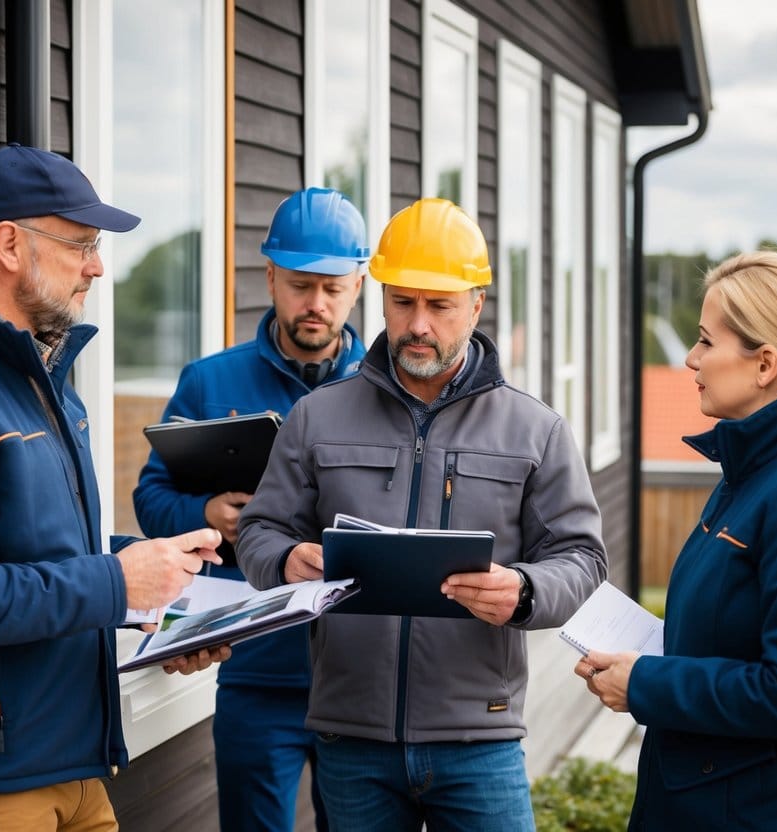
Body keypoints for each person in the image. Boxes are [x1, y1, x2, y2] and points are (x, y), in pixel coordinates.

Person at [236, 197, 608, 831]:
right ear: (380, 295)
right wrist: (284, 559)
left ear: (476, 305)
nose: (418, 325)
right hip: (351, 739)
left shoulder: (535, 429)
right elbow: (258, 531)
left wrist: (523, 590)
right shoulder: (317, 416)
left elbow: (584, 558)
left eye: (440, 306)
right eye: (403, 301)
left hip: (481, 738)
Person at [0, 143, 228, 831]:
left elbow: (44, 549)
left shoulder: (35, 370)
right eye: (80, 243)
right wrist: (116, 583)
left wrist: (164, 589)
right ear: (8, 243)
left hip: (73, 764)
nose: (96, 264)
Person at [576, 250, 777, 831]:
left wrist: (647, 683)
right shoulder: (760, 469)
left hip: (769, 814)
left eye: (705, 341)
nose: (692, 360)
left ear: (765, 364)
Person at [132, 187, 368, 832]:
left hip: (362, 677)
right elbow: (150, 500)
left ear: (358, 285)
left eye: (331, 287)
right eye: (298, 285)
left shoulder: (388, 393)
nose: (315, 304)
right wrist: (210, 513)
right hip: (253, 668)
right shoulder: (210, 382)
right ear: (269, 277)